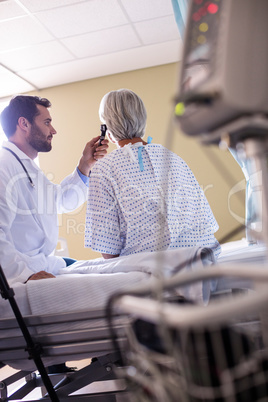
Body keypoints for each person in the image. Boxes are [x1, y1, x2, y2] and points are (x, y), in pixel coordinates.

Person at [85, 88, 221, 259]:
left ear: (107, 129)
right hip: (204, 259)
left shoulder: (103, 169)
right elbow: (207, 222)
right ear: (142, 119)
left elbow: (108, 249)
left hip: (151, 270)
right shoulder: (174, 158)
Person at [0, 95, 108, 285]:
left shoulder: (26, 167)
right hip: (21, 272)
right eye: (47, 122)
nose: (53, 130)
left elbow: (61, 201)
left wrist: (85, 165)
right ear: (24, 124)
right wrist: (25, 275)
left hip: (43, 264)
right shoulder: (4, 166)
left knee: (106, 271)